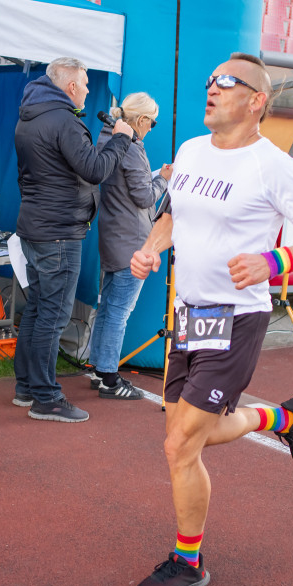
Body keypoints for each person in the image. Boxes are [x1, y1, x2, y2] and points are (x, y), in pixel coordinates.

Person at [128, 52, 293, 586]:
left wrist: (275, 263)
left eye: (227, 82)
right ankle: (285, 415)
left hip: (236, 318)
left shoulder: (273, 167)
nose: (212, 88)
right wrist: (151, 248)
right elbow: (174, 214)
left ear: (256, 101)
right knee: (186, 436)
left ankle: (188, 561)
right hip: (190, 315)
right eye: (210, 80)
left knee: (180, 445)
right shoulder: (191, 151)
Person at [12, 57, 134, 422]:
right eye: (84, 84)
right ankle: (46, 398)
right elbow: (95, 169)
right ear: (70, 87)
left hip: (36, 227)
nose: (87, 90)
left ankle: (27, 387)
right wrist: (120, 138)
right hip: (59, 233)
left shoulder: (30, 115)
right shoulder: (64, 120)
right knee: (51, 315)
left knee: (36, 309)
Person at [87, 93, 168, 400]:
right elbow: (145, 197)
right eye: (153, 122)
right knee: (119, 311)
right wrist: (165, 180)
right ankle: (109, 378)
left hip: (112, 235)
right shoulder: (132, 148)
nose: (151, 128)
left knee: (107, 308)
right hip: (133, 240)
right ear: (142, 121)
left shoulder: (106, 138)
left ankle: (98, 368)